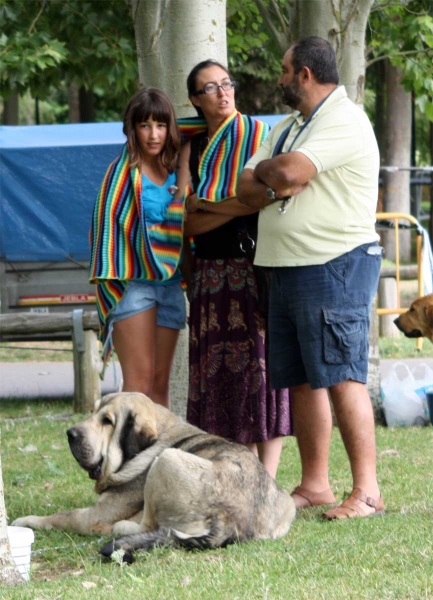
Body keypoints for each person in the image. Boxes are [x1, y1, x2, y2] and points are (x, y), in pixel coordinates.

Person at [237, 37, 385, 518]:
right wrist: (274, 176)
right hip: (285, 266)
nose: (278, 79)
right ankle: (315, 484)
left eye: (283, 71)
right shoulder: (287, 127)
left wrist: (283, 175)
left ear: (304, 73)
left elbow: (294, 170)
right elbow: (246, 186)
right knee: (300, 379)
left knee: (342, 375)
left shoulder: (345, 119)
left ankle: (367, 492)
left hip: (335, 263)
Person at [178, 59, 292, 478]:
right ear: (195, 99)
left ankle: (270, 477)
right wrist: (228, 206)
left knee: (261, 370)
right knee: (221, 374)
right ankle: (238, 472)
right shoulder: (193, 148)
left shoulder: (259, 137)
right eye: (210, 88)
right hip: (208, 273)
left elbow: (259, 199)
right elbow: (185, 222)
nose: (223, 92)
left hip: (254, 268)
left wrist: (207, 204)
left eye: (227, 83)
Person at [89, 88, 186, 409]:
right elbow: (103, 233)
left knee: (160, 388)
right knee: (139, 384)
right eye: (145, 125)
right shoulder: (121, 176)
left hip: (171, 286)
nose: (154, 134)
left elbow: (210, 123)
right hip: (134, 287)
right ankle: (128, 458)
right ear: (133, 129)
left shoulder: (178, 169)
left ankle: (157, 459)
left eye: (161, 125)